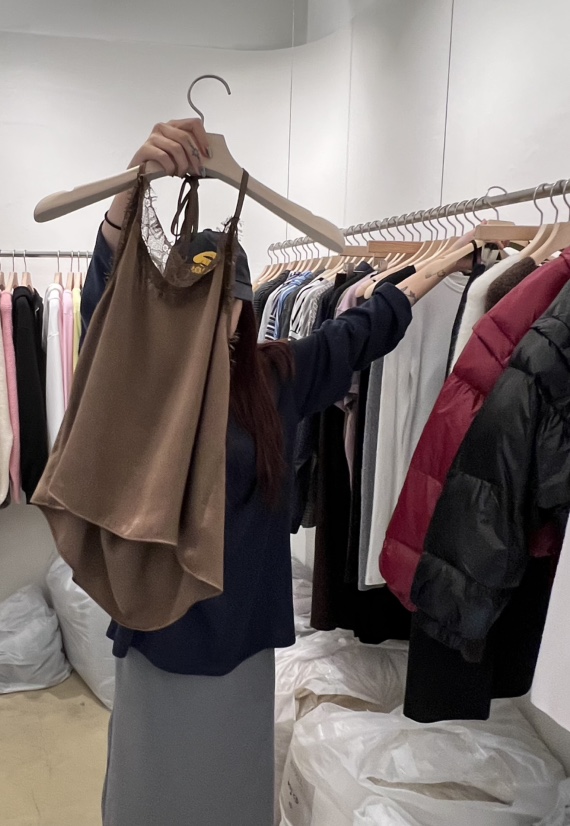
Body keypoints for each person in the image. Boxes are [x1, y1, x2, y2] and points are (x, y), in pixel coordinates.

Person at [80, 119, 415, 826]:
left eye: (222, 302)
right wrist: (127, 197)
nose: (210, 315)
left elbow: (357, 335)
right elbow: (104, 309)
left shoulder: (274, 379)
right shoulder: (146, 380)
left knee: (228, 789)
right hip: (155, 626)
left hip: (239, 637)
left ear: (242, 307)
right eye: (191, 300)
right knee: (149, 788)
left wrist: (428, 275)